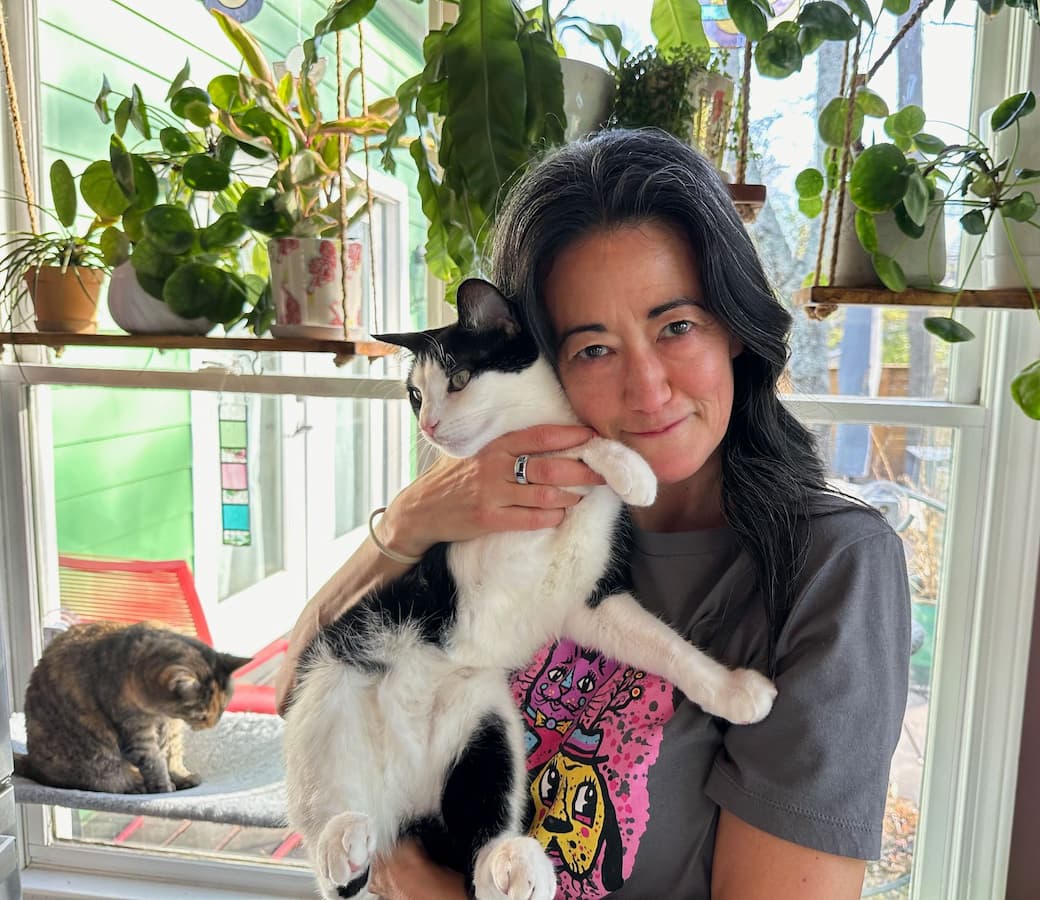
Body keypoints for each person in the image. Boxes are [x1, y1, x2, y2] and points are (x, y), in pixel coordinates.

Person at [275, 128, 911, 899]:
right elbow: (301, 687)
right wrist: (408, 524)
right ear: (541, 359)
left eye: (676, 326)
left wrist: (413, 880)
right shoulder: (518, 506)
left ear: (734, 331)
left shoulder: (832, 567)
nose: (648, 388)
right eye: (594, 349)